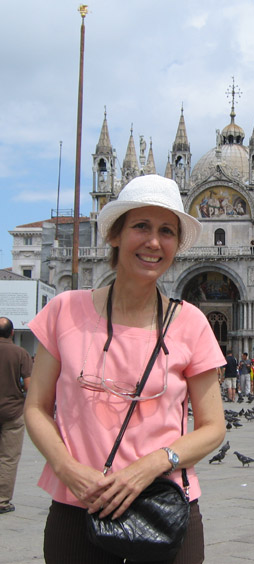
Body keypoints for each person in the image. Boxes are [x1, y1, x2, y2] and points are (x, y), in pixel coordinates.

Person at [24, 174, 226, 562]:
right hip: (78, 505)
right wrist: (66, 468)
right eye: (141, 227)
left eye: (167, 231)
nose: (154, 242)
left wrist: (150, 466)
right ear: (115, 235)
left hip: (163, 508)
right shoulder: (64, 310)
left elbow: (213, 427)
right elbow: (36, 407)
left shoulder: (191, 322)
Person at [0, 317, 33, 515]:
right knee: (8, 457)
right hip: (12, 411)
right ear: (12, 333)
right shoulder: (20, 353)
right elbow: (29, 385)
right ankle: (2, 500)